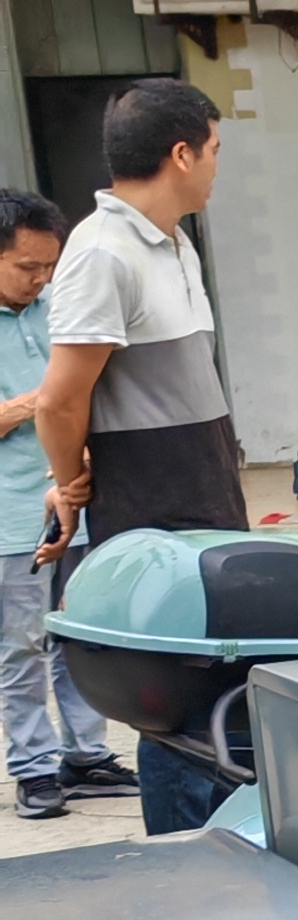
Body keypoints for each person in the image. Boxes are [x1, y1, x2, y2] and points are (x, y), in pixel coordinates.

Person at [34, 76, 248, 836]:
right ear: (181, 153)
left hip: (206, 501)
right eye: (216, 150)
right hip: (153, 515)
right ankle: (189, 898)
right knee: (179, 709)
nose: (220, 165)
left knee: (227, 697)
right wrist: (71, 484)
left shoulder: (175, 244)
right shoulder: (102, 252)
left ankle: (235, 873)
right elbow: (61, 399)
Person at [0, 190, 133, 821]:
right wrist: (44, 401)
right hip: (8, 519)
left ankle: (86, 756)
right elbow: (59, 398)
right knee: (21, 647)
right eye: (28, 266)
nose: (42, 277)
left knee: (81, 640)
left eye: (49, 265)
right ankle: (32, 767)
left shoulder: (58, 310)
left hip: (74, 503)